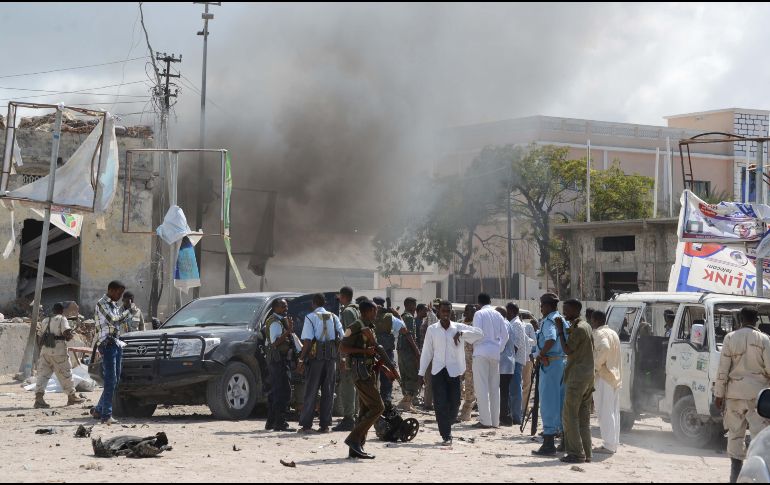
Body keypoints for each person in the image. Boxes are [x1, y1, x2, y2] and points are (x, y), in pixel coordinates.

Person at [714, 307, 770, 483]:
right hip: (758, 398)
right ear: (756, 321)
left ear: (740, 319)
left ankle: (734, 476)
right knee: (758, 438)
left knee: (735, 436)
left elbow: (723, 370)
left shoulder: (730, 338)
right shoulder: (765, 340)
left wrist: (719, 395)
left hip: (734, 396)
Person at [419, 300, 483, 445]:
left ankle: (449, 422)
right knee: (440, 403)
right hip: (438, 370)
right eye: (443, 311)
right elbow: (427, 352)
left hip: (455, 371)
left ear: (451, 312)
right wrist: (421, 373)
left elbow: (480, 334)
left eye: (448, 311)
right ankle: (446, 435)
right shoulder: (432, 329)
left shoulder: (458, 327)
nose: (445, 314)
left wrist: (462, 333)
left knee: (454, 403)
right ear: (439, 312)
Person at [339, 300, 389, 459]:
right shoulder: (355, 326)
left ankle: (357, 447)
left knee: (365, 410)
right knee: (378, 407)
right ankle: (353, 439)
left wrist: (382, 365)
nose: (376, 314)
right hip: (360, 373)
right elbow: (343, 348)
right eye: (374, 311)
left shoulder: (369, 327)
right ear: (366, 312)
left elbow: (372, 352)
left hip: (368, 371)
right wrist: (364, 351)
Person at [297, 294, 344, 434]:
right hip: (331, 359)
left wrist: (301, 359)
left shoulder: (310, 317)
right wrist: (341, 358)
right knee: (328, 391)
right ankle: (324, 425)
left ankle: (306, 425)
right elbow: (341, 337)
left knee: (311, 391)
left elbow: (307, 341)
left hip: (315, 359)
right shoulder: (334, 317)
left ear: (313, 303)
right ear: (324, 304)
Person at [556, 299, 594, 464]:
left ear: (575, 310)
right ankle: (587, 453)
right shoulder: (586, 326)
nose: (564, 314)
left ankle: (576, 453)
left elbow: (567, 349)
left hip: (577, 378)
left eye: (567, 310)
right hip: (587, 377)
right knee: (583, 417)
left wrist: (559, 331)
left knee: (569, 415)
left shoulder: (579, 329)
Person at [532, 293, 567, 456]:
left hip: (550, 363)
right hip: (560, 362)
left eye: (541, 305)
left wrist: (540, 354)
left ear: (548, 305)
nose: (540, 308)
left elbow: (551, 339)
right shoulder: (561, 319)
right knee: (560, 402)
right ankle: (565, 441)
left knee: (548, 402)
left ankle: (548, 443)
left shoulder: (549, 321)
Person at [33, 302, 85, 409]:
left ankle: (39, 398)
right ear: (62, 310)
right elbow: (66, 333)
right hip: (58, 350)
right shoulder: (62, 319)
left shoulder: (45, 320)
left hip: (45, 350)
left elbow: (39, 337)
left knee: (43, 375)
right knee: (66, 373)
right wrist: (70, 335)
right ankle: (71, 397)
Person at [91, 281, 129, 425]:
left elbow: (119, 323)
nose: (120, 296)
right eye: (119, 293)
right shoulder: (102, 304)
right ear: (111, 290)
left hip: (116, 343)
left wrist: (124, 310)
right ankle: (106, 415)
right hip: (107, 344)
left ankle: (99, 409)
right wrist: (128, 311)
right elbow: (113, 320)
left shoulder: (114, 305)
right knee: (110, 380)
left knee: (115, 380)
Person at [372, 297, 420, 407]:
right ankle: (386, 401)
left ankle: (378, 402)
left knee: (374, 378)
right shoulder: (388, 317)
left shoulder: (369, 316)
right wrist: (396, 315)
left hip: (372, 351)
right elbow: (404, 329)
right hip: (386, 351)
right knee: (387, 377)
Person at [472, 293, 509, 429]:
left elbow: (477, 333)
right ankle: (495, 421)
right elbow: (505, 335)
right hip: (495, 352)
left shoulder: (479, 314)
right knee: (494, 388)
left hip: (481, 351)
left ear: (479, 302)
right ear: (490, 301)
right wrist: (498, 348)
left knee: (482, 387)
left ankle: (485, 421)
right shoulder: (498, 314)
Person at [591, 309, 622, 456]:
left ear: (595, 321)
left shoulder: (600, 333)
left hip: (604, 376)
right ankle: (612, 443)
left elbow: (604, 348)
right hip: (614, 377)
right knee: (613, 411)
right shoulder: (613, 333)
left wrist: (595, 365)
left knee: (605, 412)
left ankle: (608, 445)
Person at [265, 298, 296, 433]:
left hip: (278, 360)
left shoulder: (279, 320)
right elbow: (275, 343)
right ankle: (280, 423)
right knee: (283, 391)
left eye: (286, 306)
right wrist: (288, 331)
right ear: (275, 308)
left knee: (276, 391)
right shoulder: (275, 323)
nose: (286, 309)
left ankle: (271, 422)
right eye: (283, 306)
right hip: (277, 360)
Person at [333, 287, 360, 432]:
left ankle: (349, 418)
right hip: (356, 354)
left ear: (343, 297)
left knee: (347, 387)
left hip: (350, 354)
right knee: (353, 386)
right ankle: (353, 416)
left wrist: (344, 357)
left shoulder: (348, 311)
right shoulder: (357, 309)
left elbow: (348, 334)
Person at [397, 297, 421, 411]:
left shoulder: (402, 317)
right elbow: (409, 335)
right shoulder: (409, 318)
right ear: (408, 305)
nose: (415, 308)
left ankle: (407, 402)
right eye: (414, 305)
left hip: (402, 350)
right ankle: (406, 402)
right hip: (408, 351)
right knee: (412, 376)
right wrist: (416, 350)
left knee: (405, 376)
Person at [506, 302, 527, 426]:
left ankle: (516, 417)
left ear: (512, 312)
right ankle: (512, 415)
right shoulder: (513, 323)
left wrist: (509, 359)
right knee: (511, 390)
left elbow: (516, 344)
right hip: (513, 361)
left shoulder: (517, 324)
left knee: (515, 390)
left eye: (508, 312)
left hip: (515, 361)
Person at [459, 304, 478, 422]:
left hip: (471, 361)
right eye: (471, 311)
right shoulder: (459, 324)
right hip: (458, 359)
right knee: (458, 385)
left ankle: (466, 411)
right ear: (465, 312)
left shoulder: (475, 326)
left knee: (470, 386)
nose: (474, 313)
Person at [418, 303, 438, 410]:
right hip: (430, 355)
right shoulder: (430, 324)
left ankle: (428, 402)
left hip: (426, 354)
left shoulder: (424, 323)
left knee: (428, 379)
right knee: (430, 380)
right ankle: (429, 403)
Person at [498, 307, 515, 427]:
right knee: (505, 391)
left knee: (503, 392)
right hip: (508, 363)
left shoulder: (503, 324)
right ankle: (506, 416)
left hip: (503, 363)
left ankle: (504, 417)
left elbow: (501, 344)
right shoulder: (508, 323)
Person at [521, 312, 538, 418]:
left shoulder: (528, 326)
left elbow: (534, 342)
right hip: (515, 359)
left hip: (527, 359)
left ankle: (525, 409)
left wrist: (524, 338)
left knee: (526, 385)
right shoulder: (511, 324)